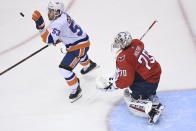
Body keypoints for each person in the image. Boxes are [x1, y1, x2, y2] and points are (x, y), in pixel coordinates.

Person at [32, 0, 97, 102]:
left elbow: (49, 40)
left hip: (79, 47)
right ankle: (89, 65)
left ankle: (76, 89)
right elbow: (66, 31)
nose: (49, 13)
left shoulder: (57, 23)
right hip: (83, 41)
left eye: (51, 11)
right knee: (80, 55)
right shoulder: (63, 15)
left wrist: (41, 28)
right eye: (49, 10)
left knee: (64, 69)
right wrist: (58, 38)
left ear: (57, 12)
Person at [97, 31, 164, 124]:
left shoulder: (123, 59)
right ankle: (150, 93)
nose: (117, 44)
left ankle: (153, 110)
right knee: (138, 73)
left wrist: (115, 85)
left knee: (133, 99)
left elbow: (126, 81)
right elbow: (138, 47)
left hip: (148, 82)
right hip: (155, 73)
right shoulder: (136, 43)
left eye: (119, 42)